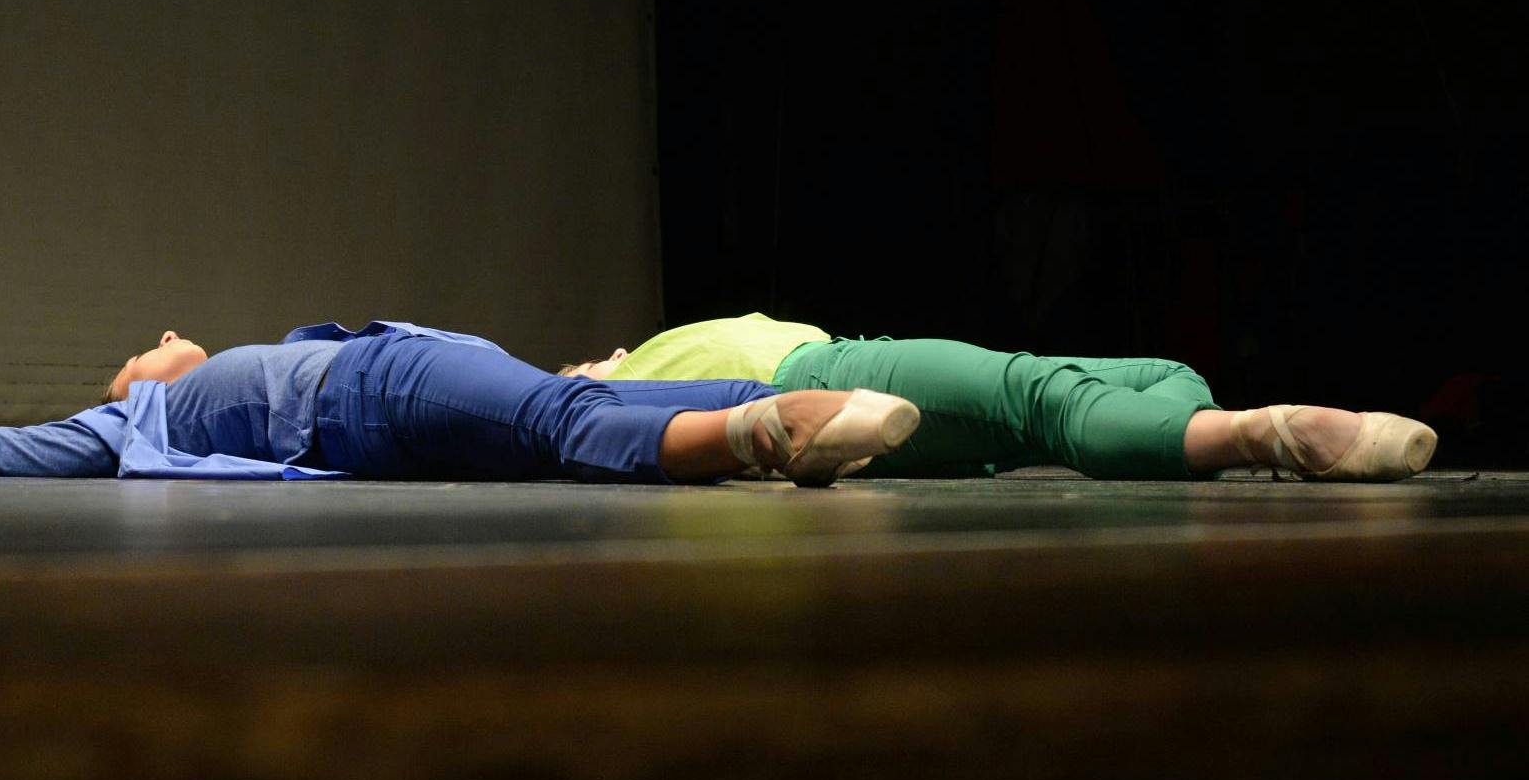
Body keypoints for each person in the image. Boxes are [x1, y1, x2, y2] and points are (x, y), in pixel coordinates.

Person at [0, 320, 920, 489]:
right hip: (366, 392)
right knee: (557, 422)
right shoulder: (126, 422)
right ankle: (761, 438)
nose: (165, 338)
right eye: (144, 347)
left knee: (576, 404)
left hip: (390, 393)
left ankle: (809, 413)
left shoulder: (232, 366)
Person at [560, 313, 1437, 482]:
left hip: (849, 365)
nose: (584, 363)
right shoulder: (633, 396)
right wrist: (594, 386)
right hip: (825, 379)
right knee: (1038, 396)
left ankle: (1180, 428)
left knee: (1163, 376)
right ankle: (1263, 437)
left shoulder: (648, 355)